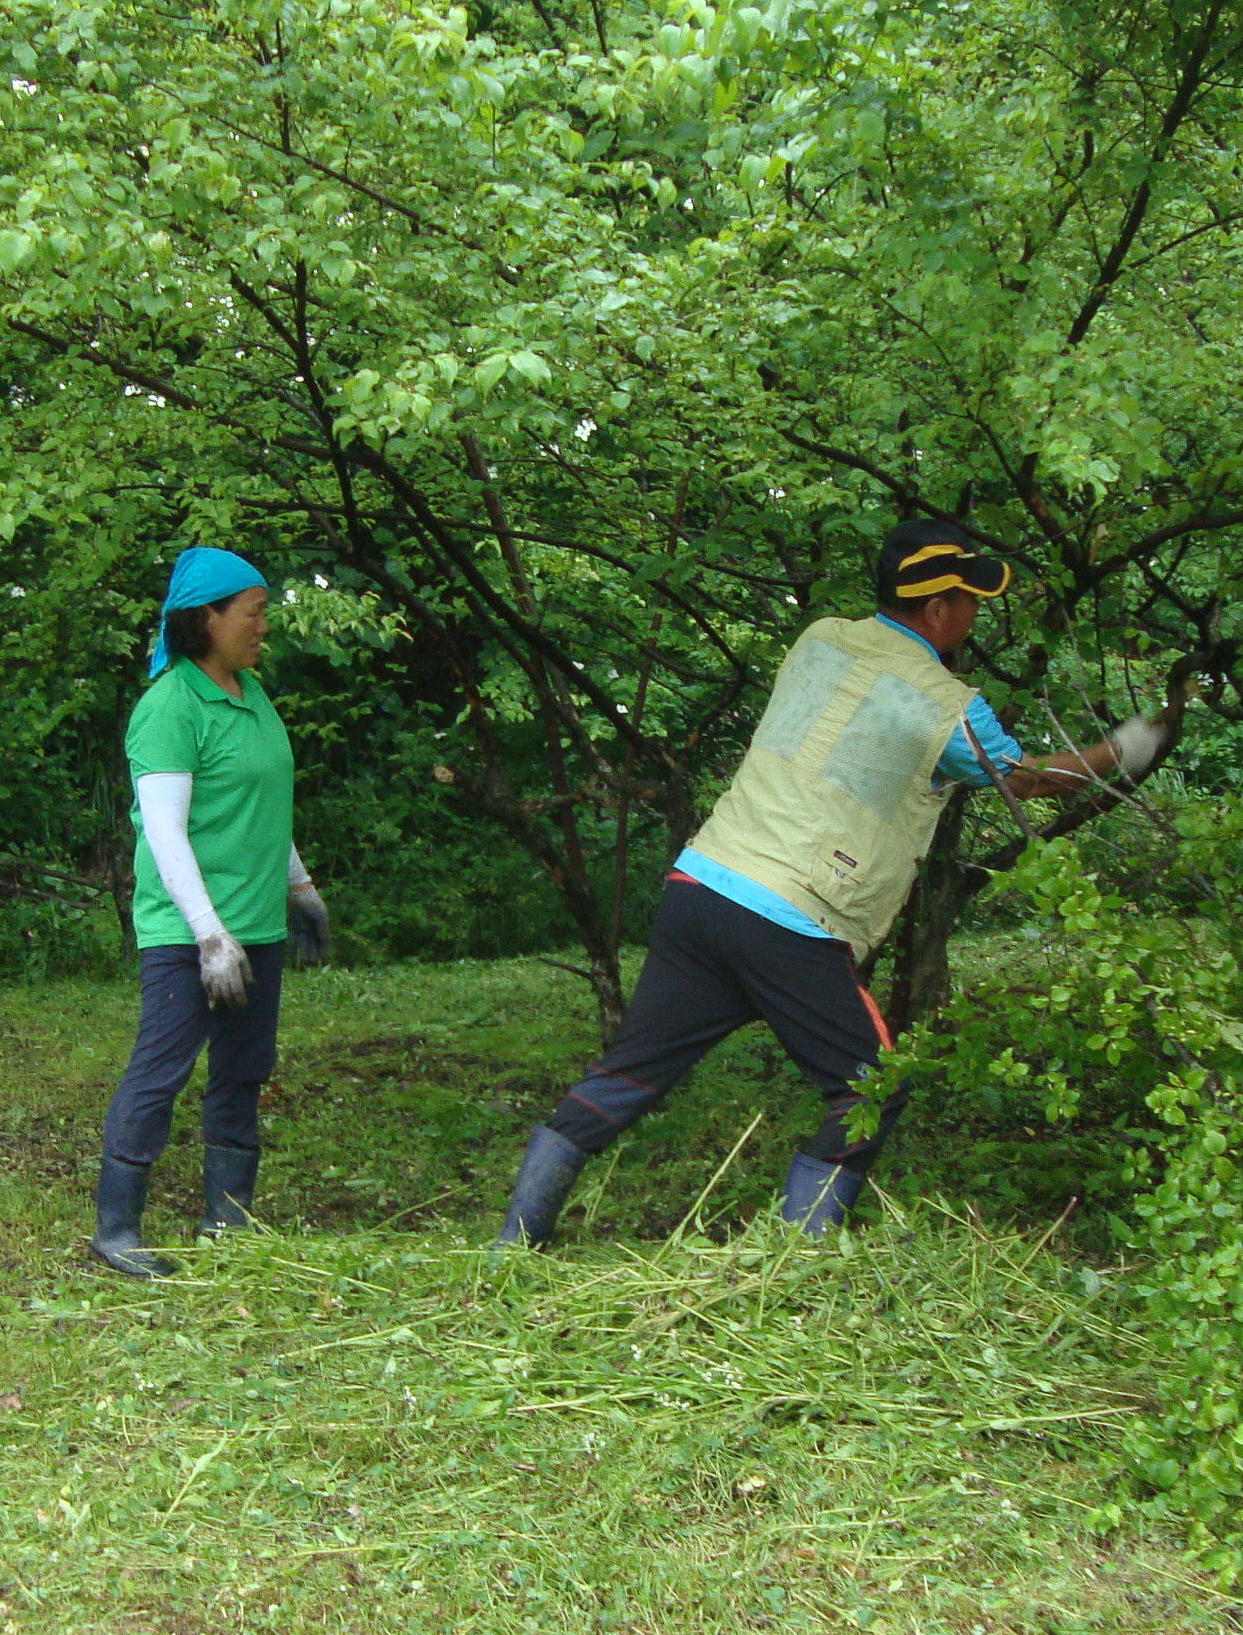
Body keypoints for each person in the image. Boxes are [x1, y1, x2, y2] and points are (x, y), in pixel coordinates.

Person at [494, 519, 1191, 1247]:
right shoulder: (948, 707)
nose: (976, 615)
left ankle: (513, 1245)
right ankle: (799, 1260)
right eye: (970, 600)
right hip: (792, 919)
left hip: (702, 887)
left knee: (629, 1074)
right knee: (872, 1089)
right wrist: (1135, 744)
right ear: (937, 610)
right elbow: (1028, 782)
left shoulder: (819, 638)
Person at [89, 547, 331, 1279]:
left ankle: (228, 1221)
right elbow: (164, 831)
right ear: (208, 618)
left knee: (242, 1072)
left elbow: (260, 807)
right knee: (160, 1073)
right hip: (190, 933)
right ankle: (117, 1229)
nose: (264, 625)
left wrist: (299, 889)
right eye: (253, 612)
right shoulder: (169, 708)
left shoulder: (251, 695)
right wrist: (208, 936)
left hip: (255, 925)